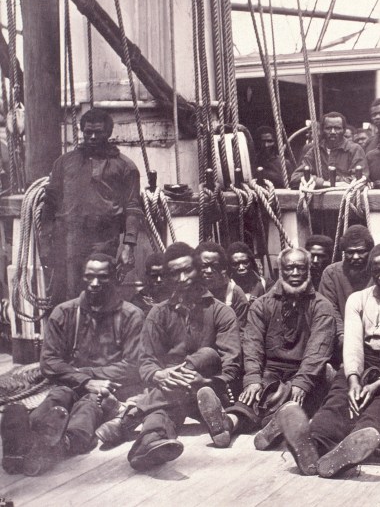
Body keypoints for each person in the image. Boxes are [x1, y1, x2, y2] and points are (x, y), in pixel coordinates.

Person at [277, 243, 380, 477]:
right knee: (338, 402)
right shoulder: (357, 300)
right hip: (361, 364)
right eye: (376, 270)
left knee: (379, 411)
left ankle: (363, 449)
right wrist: (353, 379)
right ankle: (311, 447)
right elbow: (353, 343)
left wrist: (378, 384)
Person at [101, 242, 241, 470]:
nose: (183, 278)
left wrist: (203, 381)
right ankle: (149, 444)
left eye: (188, 270)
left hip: (209, 395)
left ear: (198, 270)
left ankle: (131, 415)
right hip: (169, 393)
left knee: (207, 354)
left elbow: (231, 364)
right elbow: (146, 362)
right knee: (160, 416)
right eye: (175, 273)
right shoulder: (158, 313)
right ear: (167, 277)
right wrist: (160, 375)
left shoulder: (221, 312)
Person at [1, 254, 143, 476]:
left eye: (102, 277)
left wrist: (87, 376)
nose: (95, 284)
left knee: (87, 409)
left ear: (114, 278)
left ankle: (55, 447)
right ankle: (22, 443)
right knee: (56, 400)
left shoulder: (131, 315)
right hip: (71, 383)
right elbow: (48, 362)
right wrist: (85, 381)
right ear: (83, 278)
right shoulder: (64, 312)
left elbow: (133, 365)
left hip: (109, 389)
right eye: (90, 277)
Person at [195, 247, 336, 450]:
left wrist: (302, 382)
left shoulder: (322, 306)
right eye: (289, 268)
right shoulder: (262, 304)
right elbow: (252, 344)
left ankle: (275, 424)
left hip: (306, 374)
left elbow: (318, 350)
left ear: (308, 270)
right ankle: (228, 424)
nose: (295, 274)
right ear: (281, 270)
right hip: (271, 371)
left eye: (300, 268)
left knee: (299, 392)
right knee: (254, 395)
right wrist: (252, 379)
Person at [42, 108, 142, 304]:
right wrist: (45, 242)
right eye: (88, 132)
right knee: (70, 297)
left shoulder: (125, 167)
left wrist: (129, 246)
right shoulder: (64, 163)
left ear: (109, 133)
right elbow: (50, 204)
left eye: (98, 132)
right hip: (70, 240)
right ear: (82, 131)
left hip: (104, 240)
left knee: (103, 293)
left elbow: (132, 207)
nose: (93, 137)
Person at [318, 225, 374, 363]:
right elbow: (330, 309)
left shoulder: (379, 271)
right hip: (342, 339)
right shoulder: (331, 273)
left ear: (370, 250)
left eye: (361, 252)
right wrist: (343, 336)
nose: (355, 257)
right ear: (343, 252)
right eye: (350, 252)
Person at [290, 112, 369, 188]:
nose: (333, 132)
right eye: (328, 128)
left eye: (337, 128)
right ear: (322, 130)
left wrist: (331, 183)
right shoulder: (315, 151)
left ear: (344, 130)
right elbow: (295, 178)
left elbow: (361, 179)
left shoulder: (355, 150)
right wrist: (322, 183)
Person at [195, 242, 250, 328]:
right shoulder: (189, 291)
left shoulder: (234, 293)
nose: (209, 271)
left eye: (215, 266)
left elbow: (241, 332)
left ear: (222, 268)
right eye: (204, 266)